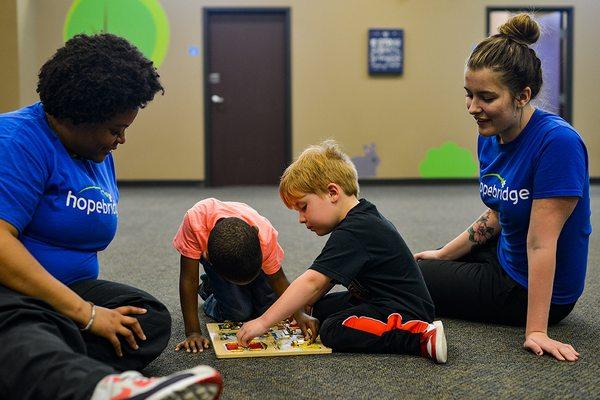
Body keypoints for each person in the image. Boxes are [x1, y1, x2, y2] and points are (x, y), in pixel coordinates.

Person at [0, 33, 222, 399]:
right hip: (13, 289)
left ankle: (36, 355)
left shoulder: (94, 153)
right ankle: (100, 388)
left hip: (60, 295)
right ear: (79, 116)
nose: (121, 140)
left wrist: (81, 310)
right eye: (115, 130)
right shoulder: (16, 141)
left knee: (147, 318)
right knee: (20, 318)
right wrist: (86, 314)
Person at [414, 14, 590, 362]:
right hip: (505, 256)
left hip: (532, 289)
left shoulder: (558, 144)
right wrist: (445, 254)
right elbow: (498, 211)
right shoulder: (492, 134)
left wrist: (536, 330)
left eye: (486, 97)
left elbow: (541, 242)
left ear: (522, 95)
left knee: (406, 276)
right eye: (469, 95)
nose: (472, 108)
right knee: (416, 262)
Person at [237, 141, 447, 363]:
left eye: (303, 207)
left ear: (332, 192)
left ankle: (419, 335)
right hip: (377, 298)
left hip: (403, 310)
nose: (301, 219)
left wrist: (264, 321)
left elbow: (313, 281)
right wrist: (301, 307)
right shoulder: (357, 220)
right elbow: (328, 277)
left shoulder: (356, 230)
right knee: (318, 307)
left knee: (332, 330)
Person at [172, 197, 318, 353]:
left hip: (249, 259)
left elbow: (278, 278)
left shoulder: (264, 235)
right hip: (219, 259)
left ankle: (230, 286)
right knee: (240, 312)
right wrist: (193, 332)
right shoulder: (194, 222)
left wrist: (299, 313)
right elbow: (188, 280)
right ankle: (211, 292)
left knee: (270, 309)